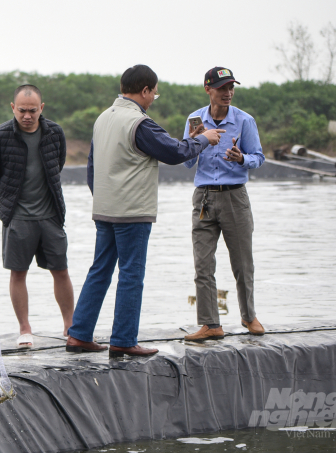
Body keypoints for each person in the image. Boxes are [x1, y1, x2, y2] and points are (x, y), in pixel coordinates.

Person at [66, 65, 224, 358]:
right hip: (132, 212)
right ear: (145, 90)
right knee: (131, 274)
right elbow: (175, 152)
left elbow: (91, 166)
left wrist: (102, 198)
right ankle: (124, 340)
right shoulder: (140, 123)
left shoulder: (103, 119)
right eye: (154, 93)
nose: (153, 99)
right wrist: (204, 139)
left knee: (99, 271)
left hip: (104, 209)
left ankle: (78, 335)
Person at [0, 84, 74, 348]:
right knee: (18, 273)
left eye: (32, 111)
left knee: (61, 270)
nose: (27, 116)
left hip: (50, 216)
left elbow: (59, 163)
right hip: (18, 217)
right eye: (22, 110)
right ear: (13, 108)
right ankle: (25, 328)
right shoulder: (0, 136)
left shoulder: (55, 132)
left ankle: (70, 325)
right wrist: (9, 198)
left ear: (41, 109)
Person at [182, 67, 266, 341]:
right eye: (221, 88)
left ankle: (249, 316)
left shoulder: (244, 121)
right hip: (204, 197)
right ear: (208, 90)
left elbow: (259, 157)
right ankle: (210, 324)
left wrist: (242, 159)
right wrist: (199, 141)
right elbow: (186, 162)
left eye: (231, 88)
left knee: (243, 263)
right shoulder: (195, 120)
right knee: (203, 265)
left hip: (234, 197)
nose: (228, 93)